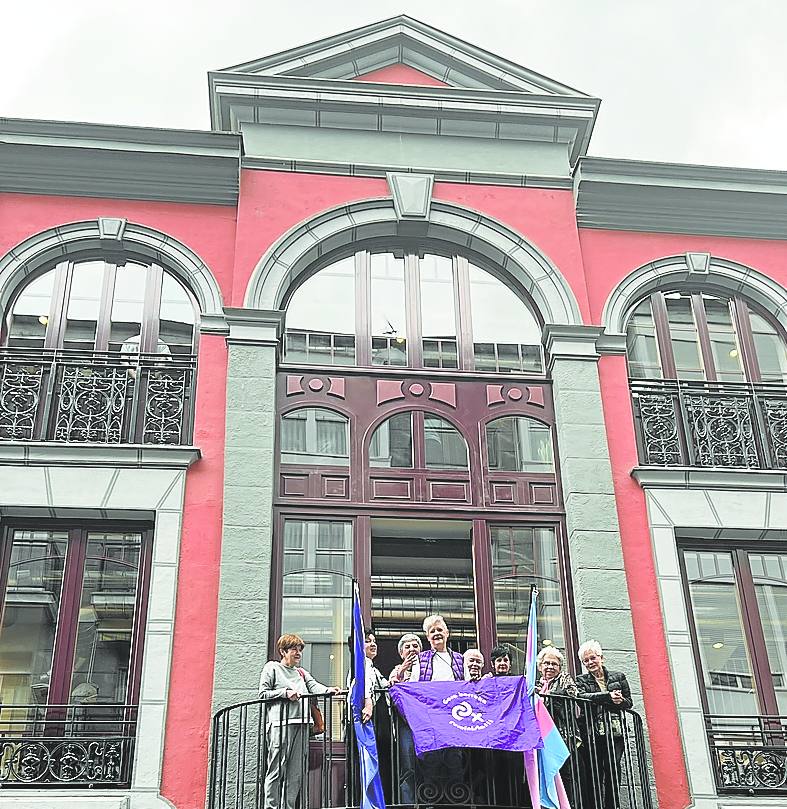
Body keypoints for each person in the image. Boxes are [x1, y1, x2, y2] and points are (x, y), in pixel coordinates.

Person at [258, 634, 339, 809]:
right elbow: (263, 694)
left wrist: (329, 690)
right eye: (294, 649)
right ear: (283, 651)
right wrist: (285, 693)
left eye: (300, 649)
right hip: (280, 725)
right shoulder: (272, 668)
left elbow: (315, 687)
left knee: (295, 772)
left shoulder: (301, 672)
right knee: (276, 769)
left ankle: (288, 806)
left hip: (302, 725)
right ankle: (271, 807)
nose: (298, 652)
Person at [576, 640, 633, 809]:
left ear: (601, 658)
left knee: (613, 769)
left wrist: (620, 700)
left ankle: (612, 806)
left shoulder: (618, 676)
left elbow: (629, 702)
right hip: (592, 732)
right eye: (586, 661)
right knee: (594, 772)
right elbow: (581, 697)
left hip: (615, 732)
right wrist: (608, 697)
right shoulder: (581, 680)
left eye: (593, 658)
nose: (590, 663)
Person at [537, 647, 580, 807]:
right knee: (547, 773)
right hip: (543, 738)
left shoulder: (563, 678)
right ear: (540, 666)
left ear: (559, 667)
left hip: (563, 735)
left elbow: (572, 693)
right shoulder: (536, 684)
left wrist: (547, 698)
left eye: (554, 664)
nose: (549, 666)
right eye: (546, 663)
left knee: (564, 773)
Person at [388, 633, 423, 803]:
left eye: (415, 646)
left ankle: (428, 802)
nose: (411, 650)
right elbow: (392, 690)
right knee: (408, 767)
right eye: (407, 647)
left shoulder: (427, 668)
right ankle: (409, 804)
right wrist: (402, 670)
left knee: (429, 765)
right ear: (401, 653)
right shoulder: (397, 670)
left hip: (426, 725)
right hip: (406, 726)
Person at [361, 632, 391, 802]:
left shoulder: (373, 667)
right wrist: (369, 704)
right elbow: (365, 684)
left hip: (380, 721)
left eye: (374, 641)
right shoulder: (363, 664)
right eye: (367, 641)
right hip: (372, 720)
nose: (373, 644)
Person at [410, 615, 464, 682]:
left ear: (447, 633)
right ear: (428, 637)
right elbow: (413, 684)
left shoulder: (461, 659)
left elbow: (468, 684)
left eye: (440, 630)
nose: (436, 633)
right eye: (432, 631)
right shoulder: (419, 659)